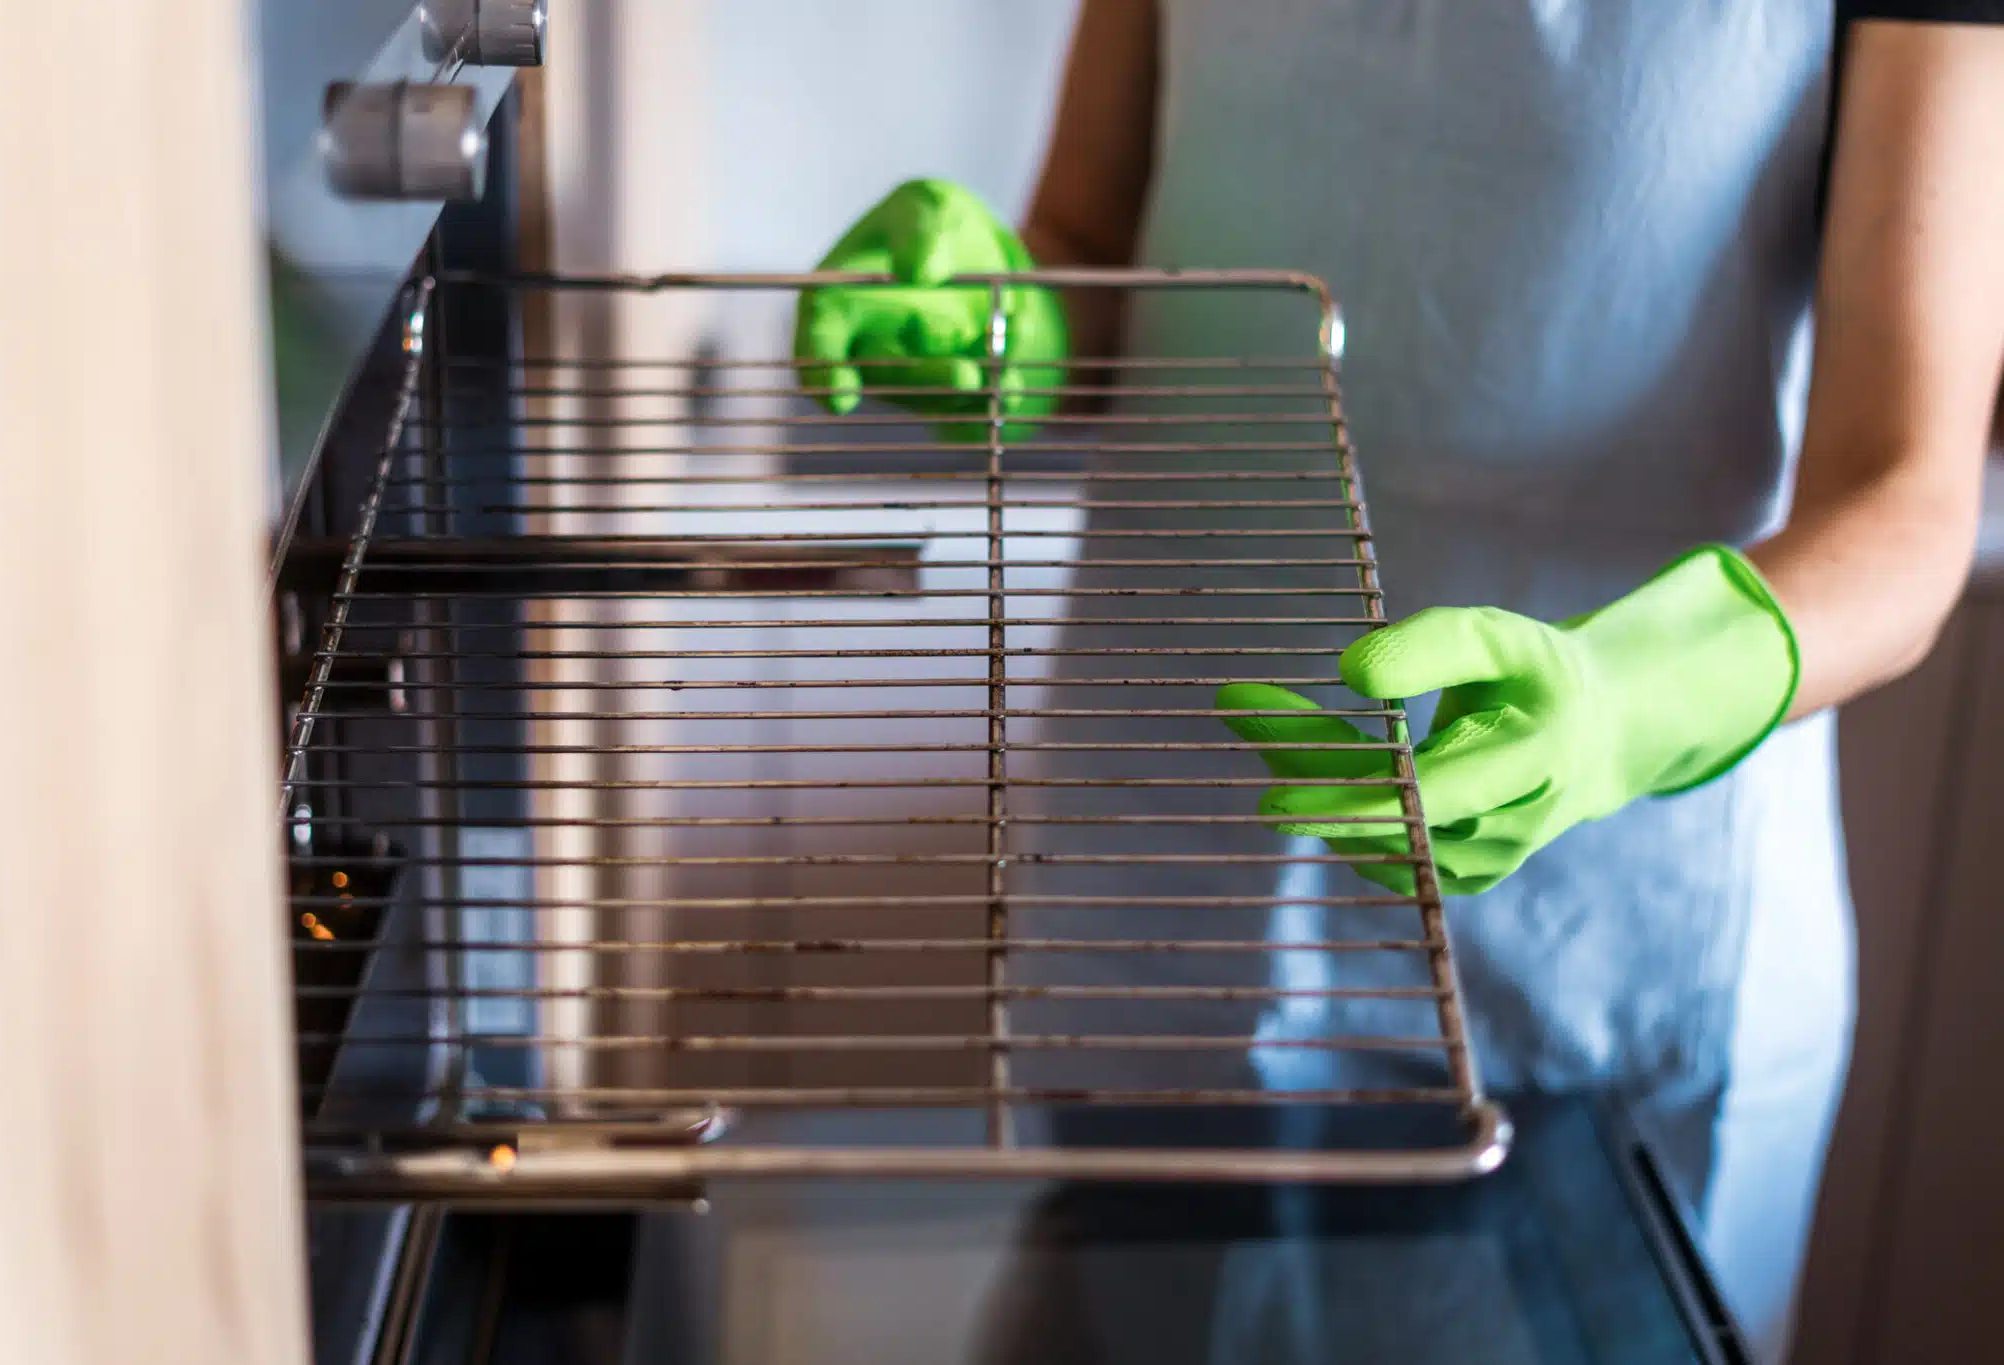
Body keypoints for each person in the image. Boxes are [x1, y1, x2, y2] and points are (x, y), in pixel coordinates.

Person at [794, 4, 2004, 1359]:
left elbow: (1905, 495)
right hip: (1170, 888)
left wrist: (1628, 704)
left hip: (1599, 938)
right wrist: (994, 326)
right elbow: (1091, 249)